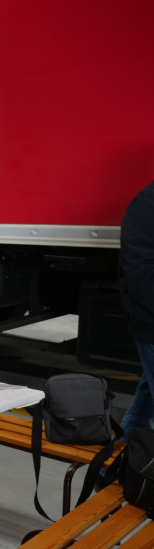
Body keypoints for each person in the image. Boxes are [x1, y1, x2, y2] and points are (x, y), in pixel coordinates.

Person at [118, 179, 154, 438]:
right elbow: (141, 276)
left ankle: (118, 459)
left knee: (144, 407)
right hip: (151, 322)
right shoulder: (147, 204)